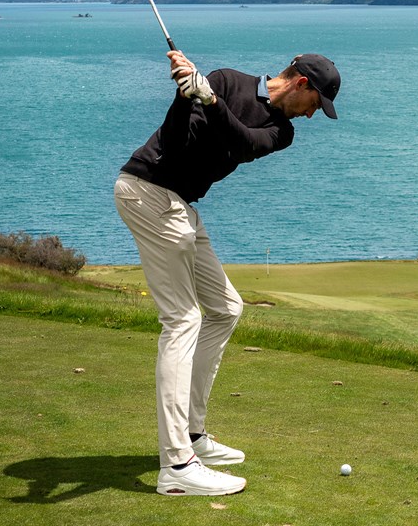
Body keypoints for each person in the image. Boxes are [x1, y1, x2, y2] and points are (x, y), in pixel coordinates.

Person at [114, 49, 340, 496]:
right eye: (316, 104)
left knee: (225, 308)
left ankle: (193, 433)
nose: (312, 115)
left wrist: (209, 100)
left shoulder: (281, 131)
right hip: (148, 193)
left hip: (179, 205)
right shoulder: (224, 80)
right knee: (182, 320)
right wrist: (185, 95)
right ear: (302, 84)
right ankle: (177, 465)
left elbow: (243, 142)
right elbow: (174, 140)